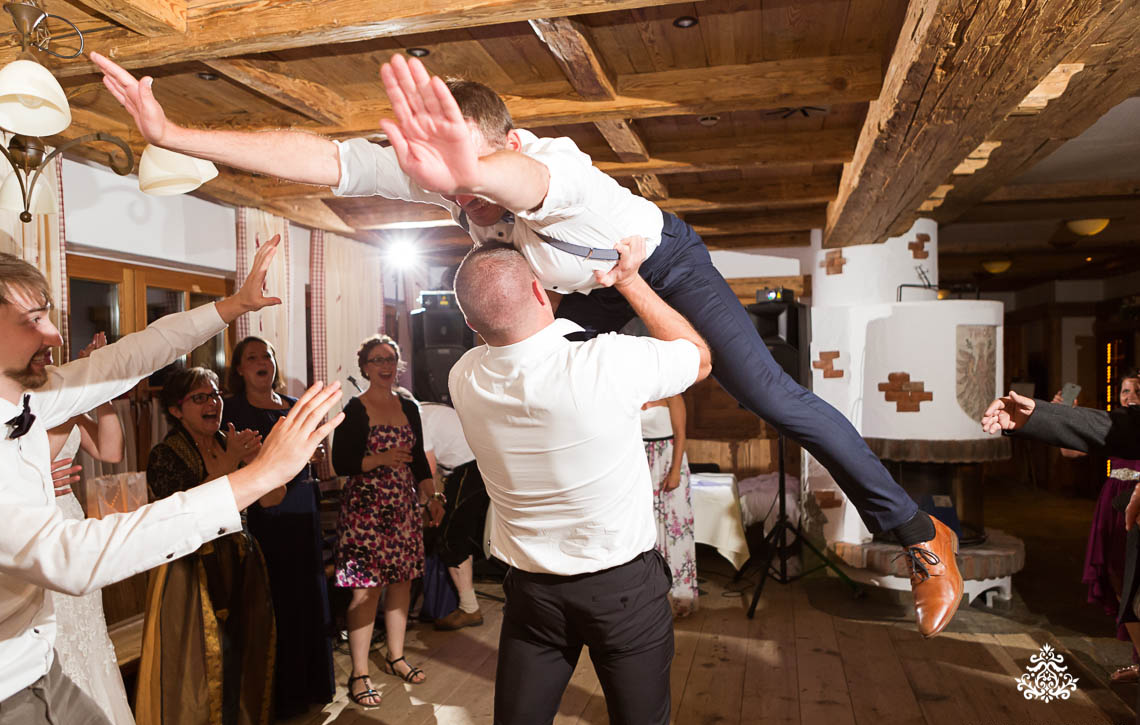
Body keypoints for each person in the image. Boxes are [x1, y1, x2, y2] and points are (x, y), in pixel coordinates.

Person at [93, 51, 962, 637]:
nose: (468, 209)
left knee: (774, 396)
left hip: (661, 266)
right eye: (457, 195)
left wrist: (468, 172)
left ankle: (921, 533)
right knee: (523, 374)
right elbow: (322, 158)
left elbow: (520, 180)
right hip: (586, 297)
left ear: (502, 146)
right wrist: (176, 135)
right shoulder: (446, 175)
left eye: (473, 181)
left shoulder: (560, 173)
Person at [0, 243, 344, 725]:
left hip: (41, 667)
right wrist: (257, 476)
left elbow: (133, 354)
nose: (52, 335)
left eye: (49, 316)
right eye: (33, 320)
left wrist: (231, 307)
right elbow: (70, 558)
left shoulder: (30, 396)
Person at [447, 237, 710, 725]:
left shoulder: (464, 376)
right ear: (540, 291)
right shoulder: (604, 361)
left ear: (473, 326)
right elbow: (698, 359)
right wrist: (629, 279)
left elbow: (511, 333)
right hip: (622, 593)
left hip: (532, 595)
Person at [140, 366, 283, 725]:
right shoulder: (164, 455)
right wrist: (233, 463)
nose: (213, 403)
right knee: (199, 671)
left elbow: (272, 498)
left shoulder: (229, 440)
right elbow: (189, 512)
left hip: (241, 561)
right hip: (189, 571)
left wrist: (265, 462)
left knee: (248, 656)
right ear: (175, 410)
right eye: (200, 398)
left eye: (216, 394)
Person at [43, 332, 145, 725]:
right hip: (34, 532)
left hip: (72, 525)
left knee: (88, 640)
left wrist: (101, 388)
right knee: (52, 642)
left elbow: (110, 450)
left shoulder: (60, 392)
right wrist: (32, 486)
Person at [223, 335, 336, 717]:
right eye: (251, 357)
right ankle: (278, 699)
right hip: (264, 516)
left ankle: (311, 686)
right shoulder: (232, 410)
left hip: (303, 507)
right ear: (239, 369)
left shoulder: (293, 409)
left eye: (266, 355)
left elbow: (314, 456)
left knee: (307, 595)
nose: (261, 362)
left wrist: (316, 453)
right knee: (274, 601)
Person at [331, 335, 443, 708]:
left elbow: (418, 463)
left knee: (402, 584)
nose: (385, 365)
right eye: (377, 359)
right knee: (365, 591)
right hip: (365, 512)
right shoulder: (354, 408)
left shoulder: (409, 407)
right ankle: (360, 672)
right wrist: (380, 459)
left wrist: (432, 495)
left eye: (391, 359)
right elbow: (341, 464)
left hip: (403, 509)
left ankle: (395, 656)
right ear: (364, 367)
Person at [1050, 374, 1140, 682]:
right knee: (1117, 578)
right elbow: (1070, 452)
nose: (1131, 396)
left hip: (1138, 503)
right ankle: (1138, 660)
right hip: (1112, 501)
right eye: (1125, 390)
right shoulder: (1113, 426)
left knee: (1136, 581)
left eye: (1137, 390)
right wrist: (1065, 417)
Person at [419, 401, 489, 631]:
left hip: (469, 468)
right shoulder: (423, 409)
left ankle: (469, 609)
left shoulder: (415, 416)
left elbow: (427, 468)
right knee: (456, 535)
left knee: (450, 538)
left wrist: (423, 504)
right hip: (471, 466)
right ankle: (467, 606)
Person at [641, 394, 699, 617]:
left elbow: (681, 435)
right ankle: (648, 597)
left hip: (668, 459)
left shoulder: (672, 394)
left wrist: (675, 471)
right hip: (640, 460)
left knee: (675, 528)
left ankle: (679, 596)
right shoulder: (633, 389)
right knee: (647, 529)